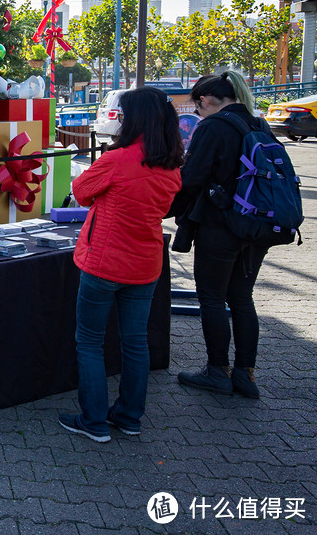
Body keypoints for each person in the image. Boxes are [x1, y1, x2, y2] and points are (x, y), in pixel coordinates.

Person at [60, 87, 183, 442]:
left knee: (89, 342)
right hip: (145, 265)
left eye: (124, 115)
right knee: (135, 343)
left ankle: (94, 421)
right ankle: (129, 417)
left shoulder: (117, 160)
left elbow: (81, 192)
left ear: (137, 119)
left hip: (104, 263)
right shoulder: (172, 163)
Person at [170, 71, 270, 399]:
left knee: (212, 297)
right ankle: (245, 373)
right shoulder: (258, 124)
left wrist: (164, 207)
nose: (198, 114)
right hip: (257, 226)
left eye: (197, 107)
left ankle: (217, 371)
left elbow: (192, 178)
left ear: (206, 100)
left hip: (220, 226)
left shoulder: (213, 127)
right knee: (241, 298)